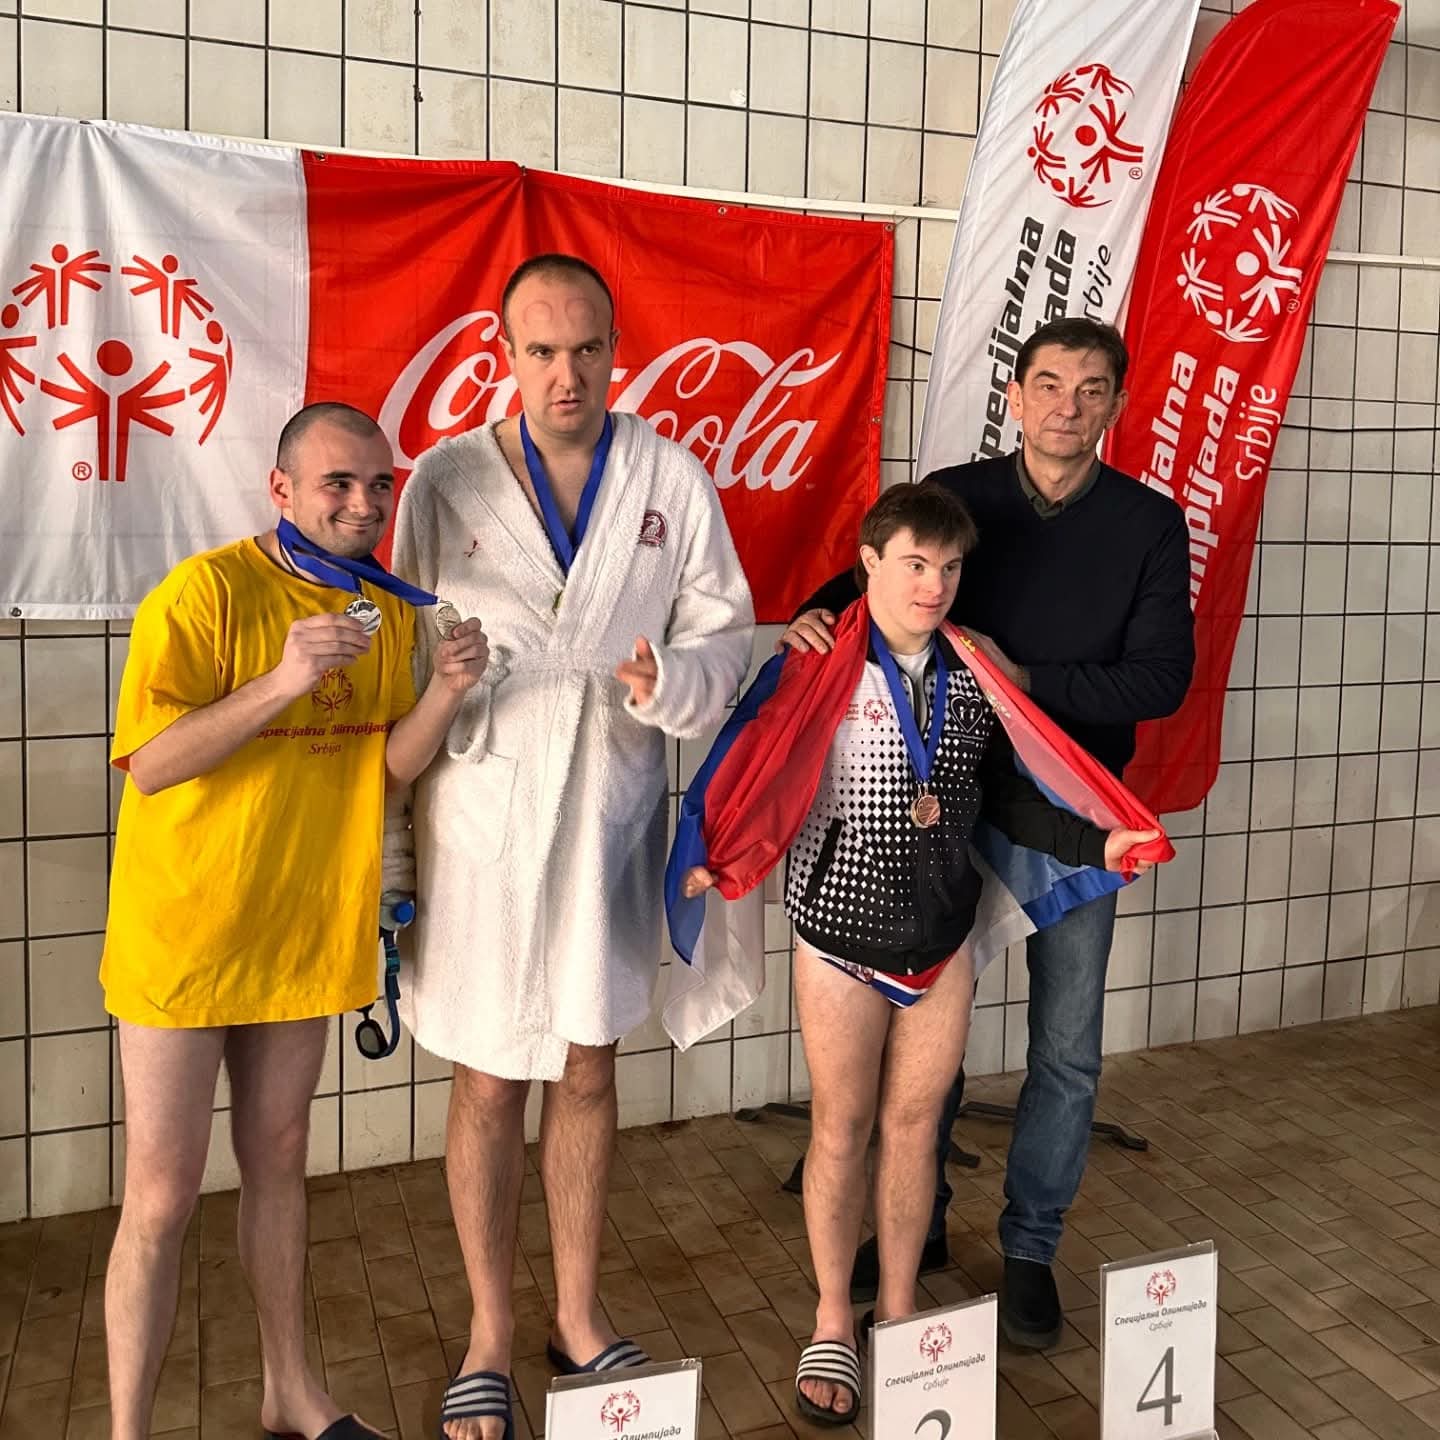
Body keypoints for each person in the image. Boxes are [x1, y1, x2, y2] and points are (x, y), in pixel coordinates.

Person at [680, 482, 1159, 1424]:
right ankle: (832, 1315)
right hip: (838, 941)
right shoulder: (817, 663)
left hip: (942, 944)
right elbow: (755, 771)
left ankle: (897, 1312)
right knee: (840, 1127)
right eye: (913, 564)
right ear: (868, 564)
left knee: (913, 1129)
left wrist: (1096, 843)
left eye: (948, 567)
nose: (933, 585)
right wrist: (717, 855)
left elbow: (1009, 800)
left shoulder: (975, 671)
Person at [392, 254, 754, 1440]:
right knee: (488, 1075)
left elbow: (725, 629)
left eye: (588, 348)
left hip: (608, 797)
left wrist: (671, 679)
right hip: (481, 817)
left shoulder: (669, 477)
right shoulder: (444, 479)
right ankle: (490, 1331)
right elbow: (404, 643)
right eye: (542, 350)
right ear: (505, 355)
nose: (567, 373)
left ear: (615, 350)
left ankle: (579, 1316)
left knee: (590, 1065)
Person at [783, 317, 1194, 1349]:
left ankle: (1030, 1249)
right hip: (947, 801)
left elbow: (1161, 680)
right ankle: (914, 1226)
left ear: (1117, 404)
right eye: (1048, 383)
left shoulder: (1148, 523)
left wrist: (1027, 682)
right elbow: (877, 581)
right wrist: (811, 617)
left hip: (1073, 808)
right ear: (1015, 394)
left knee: (1066, 1048)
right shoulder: (961, 494)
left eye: (1091, 389)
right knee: (932, 1043)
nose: (1067, 406)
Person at [100, 402, 492, 1440]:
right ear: (281, 490)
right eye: (337, 484)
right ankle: (128, 1429)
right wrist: (284, 679)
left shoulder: (388, 613)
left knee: (280, 1163)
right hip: (185, 939)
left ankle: (289, 1390)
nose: (363, 504)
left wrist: (449, 692)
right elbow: (151, 765)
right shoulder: (207, 592)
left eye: (378, 485)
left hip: (304, 931)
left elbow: (380, 772)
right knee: (161, 1196)